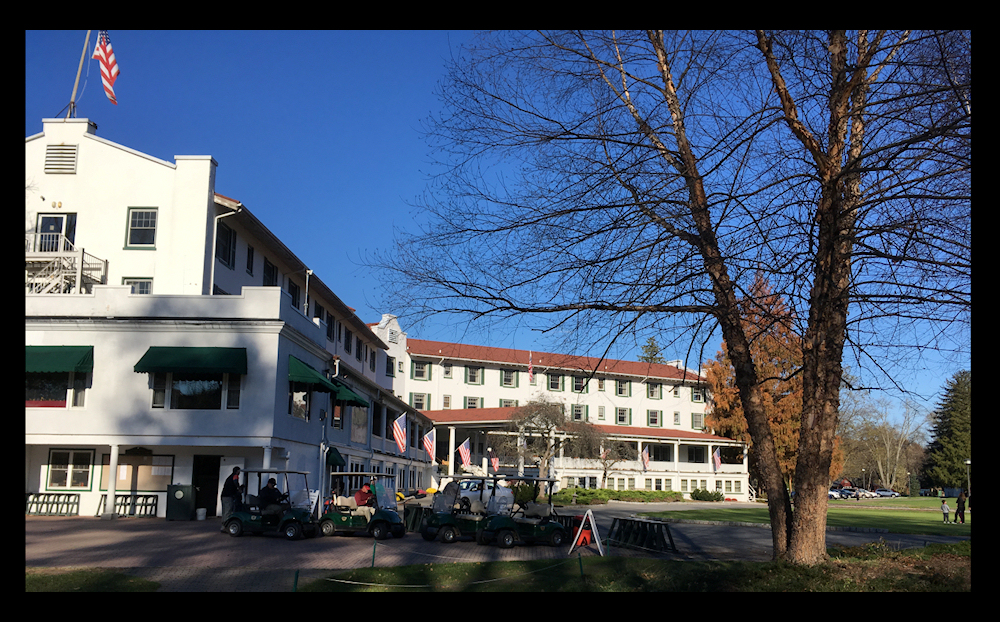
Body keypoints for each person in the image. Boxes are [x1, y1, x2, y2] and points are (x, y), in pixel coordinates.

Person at [220, 466, 242, 531]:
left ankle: (223, 525)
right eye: (239, 471)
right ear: (237, 471)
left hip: (224, 495)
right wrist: (239, 489)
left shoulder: (229, 477)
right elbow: (235, 482)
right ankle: (226, 526)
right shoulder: (235, 476)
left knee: (224, 511)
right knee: (228, 511)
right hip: (228, 496)